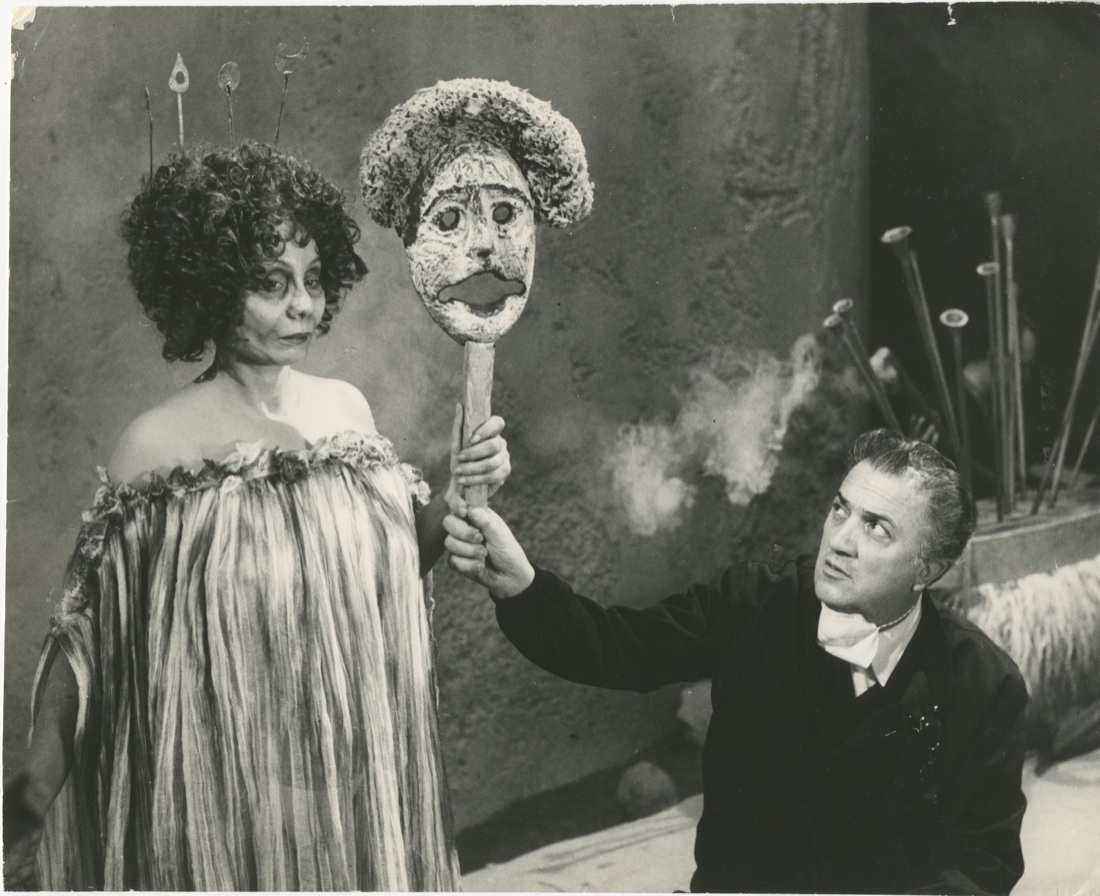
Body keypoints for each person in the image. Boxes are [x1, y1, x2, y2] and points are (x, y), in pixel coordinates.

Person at [3, 141, 510, 890]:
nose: (303, 304)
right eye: (272, 284)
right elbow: (89, 636)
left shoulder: (347, 411)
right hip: (232, 796)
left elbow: (391, 570)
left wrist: (460, 488)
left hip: (344, 781)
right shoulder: (157, 446)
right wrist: (30, 796)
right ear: (210, 289)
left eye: (313, 280)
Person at [444, 429, 1028, 894]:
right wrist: (522, 586)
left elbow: (983, 864)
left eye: (876, 528)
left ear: (927, 569)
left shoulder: (983, 683)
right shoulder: (755, 603)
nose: (840, 540)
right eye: (840, 509)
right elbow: (617, 647)